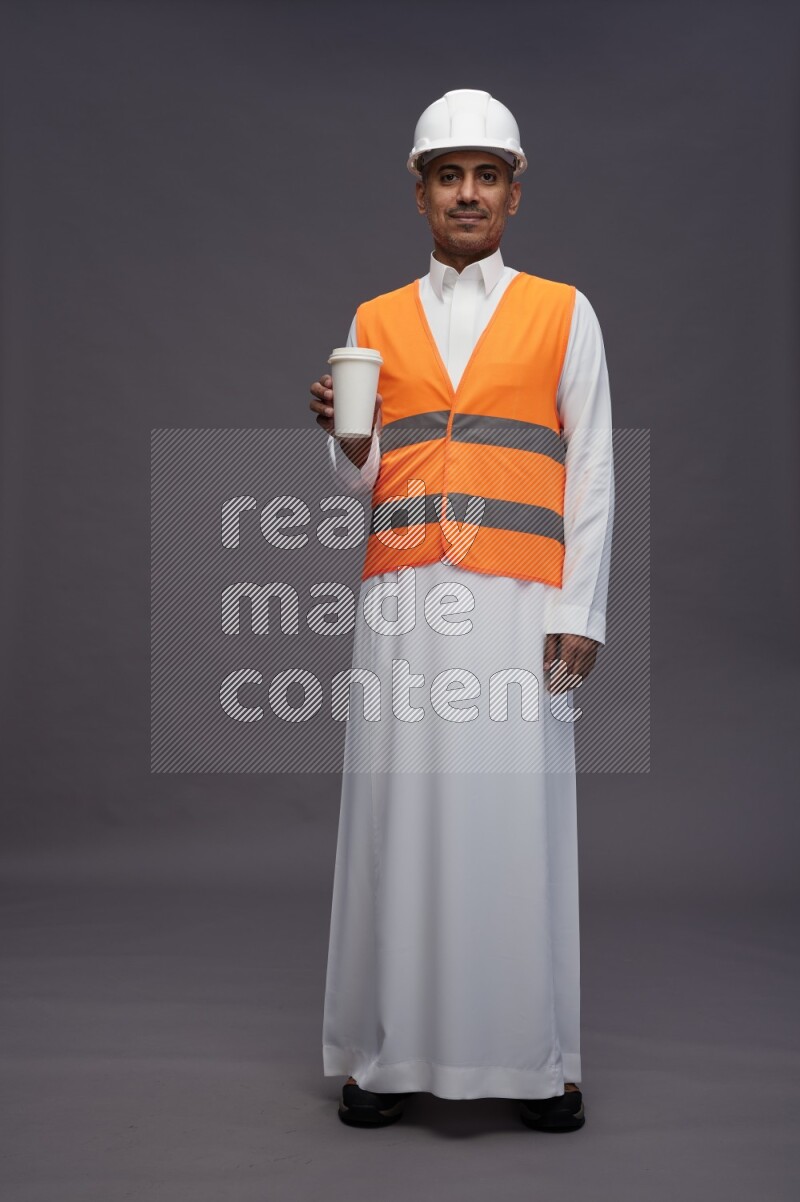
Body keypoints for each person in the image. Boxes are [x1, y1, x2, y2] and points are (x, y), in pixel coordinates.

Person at [309, 89, 614, 1132]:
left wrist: (581, 609)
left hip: (521, 597)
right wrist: (350, 445)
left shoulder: (564, 311)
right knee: (404, 812)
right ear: (420, 191)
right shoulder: (373, 319)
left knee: (513, 817)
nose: (468, 192)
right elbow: (362, 483)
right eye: (449, 175)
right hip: (403, 596)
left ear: (514, 192)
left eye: (487, 174)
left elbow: (595, 466)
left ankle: (537, 1060)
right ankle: (387, 1051)